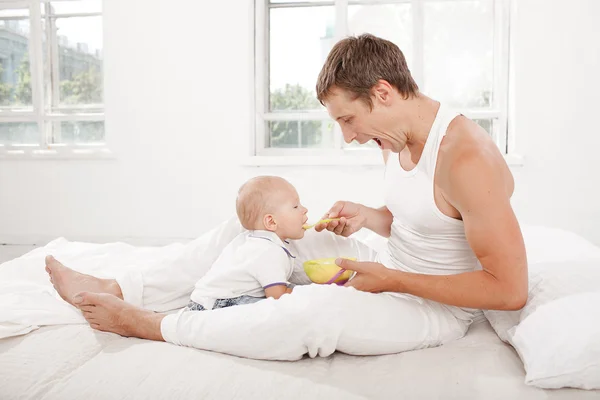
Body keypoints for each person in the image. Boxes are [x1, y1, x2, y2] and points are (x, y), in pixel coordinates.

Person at [45, 33, 527, 361]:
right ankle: (124, 288)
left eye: (347, 120)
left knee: (317, 311)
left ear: (382, 93)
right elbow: (431, 218)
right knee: (259, 221)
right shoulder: (394, 133)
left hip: (434, 309)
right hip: (389, 265)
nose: (349, 138)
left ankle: (154, 325)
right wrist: (371, 217)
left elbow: (508, 290)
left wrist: (392, 280)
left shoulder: (467, 158)